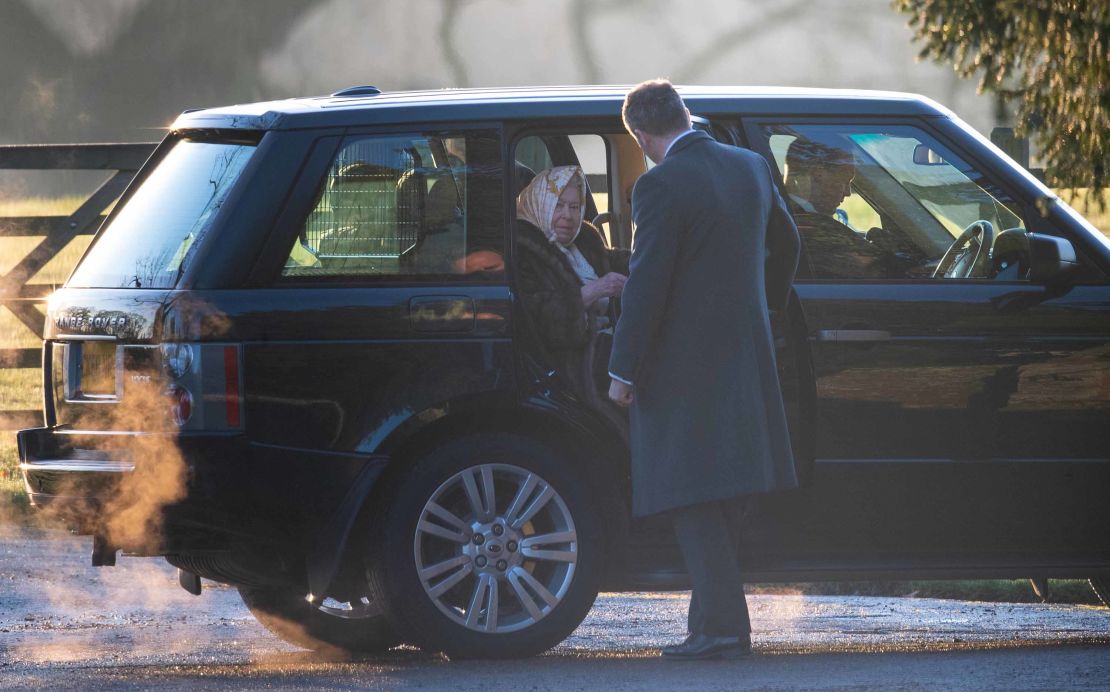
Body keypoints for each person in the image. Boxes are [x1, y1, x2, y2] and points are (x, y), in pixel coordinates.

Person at [608, 80, 800, 660]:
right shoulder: (748, 166)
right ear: (685, 115)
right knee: (727, 491)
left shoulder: (659, 185)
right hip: (747, 354)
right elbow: (786, 245)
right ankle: (715, 623)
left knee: (691, 493)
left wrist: (623, 368)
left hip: (684, 369)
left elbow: (647, 286)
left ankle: (719, 631)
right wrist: (760, 312)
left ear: (640, 135)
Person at [515, 165, 629, 406]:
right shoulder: (523, 250)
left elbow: (613, 259)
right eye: (558, 205)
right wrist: (596, 289)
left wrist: (651, 259)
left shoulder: (583, 238)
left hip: (607, 342)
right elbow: (541, 318)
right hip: (574, 362)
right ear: (540, 203)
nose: (568, 215)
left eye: (574, 207)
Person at [782, 137, 889, 279]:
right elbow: (867, 270)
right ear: (818, 173)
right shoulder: (808, 225)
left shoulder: (785, 213)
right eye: (844, 181)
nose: (848, 192)